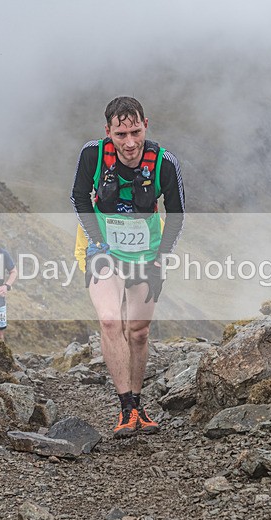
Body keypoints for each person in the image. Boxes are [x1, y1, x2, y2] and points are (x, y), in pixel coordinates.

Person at [70, 96, 185, 438]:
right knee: (109, 319)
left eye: (135, 132)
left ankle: (138, 403)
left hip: (147, 250)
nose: (130, 142)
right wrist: (97, 242)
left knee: (138, 330)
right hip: (102, 246)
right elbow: (79, 197)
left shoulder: (164, 163)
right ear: (108, 132)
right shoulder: (92, 154)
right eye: (121, 135)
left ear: (145, 125)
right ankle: (125, 409)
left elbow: (176, 215)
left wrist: (160, 259)